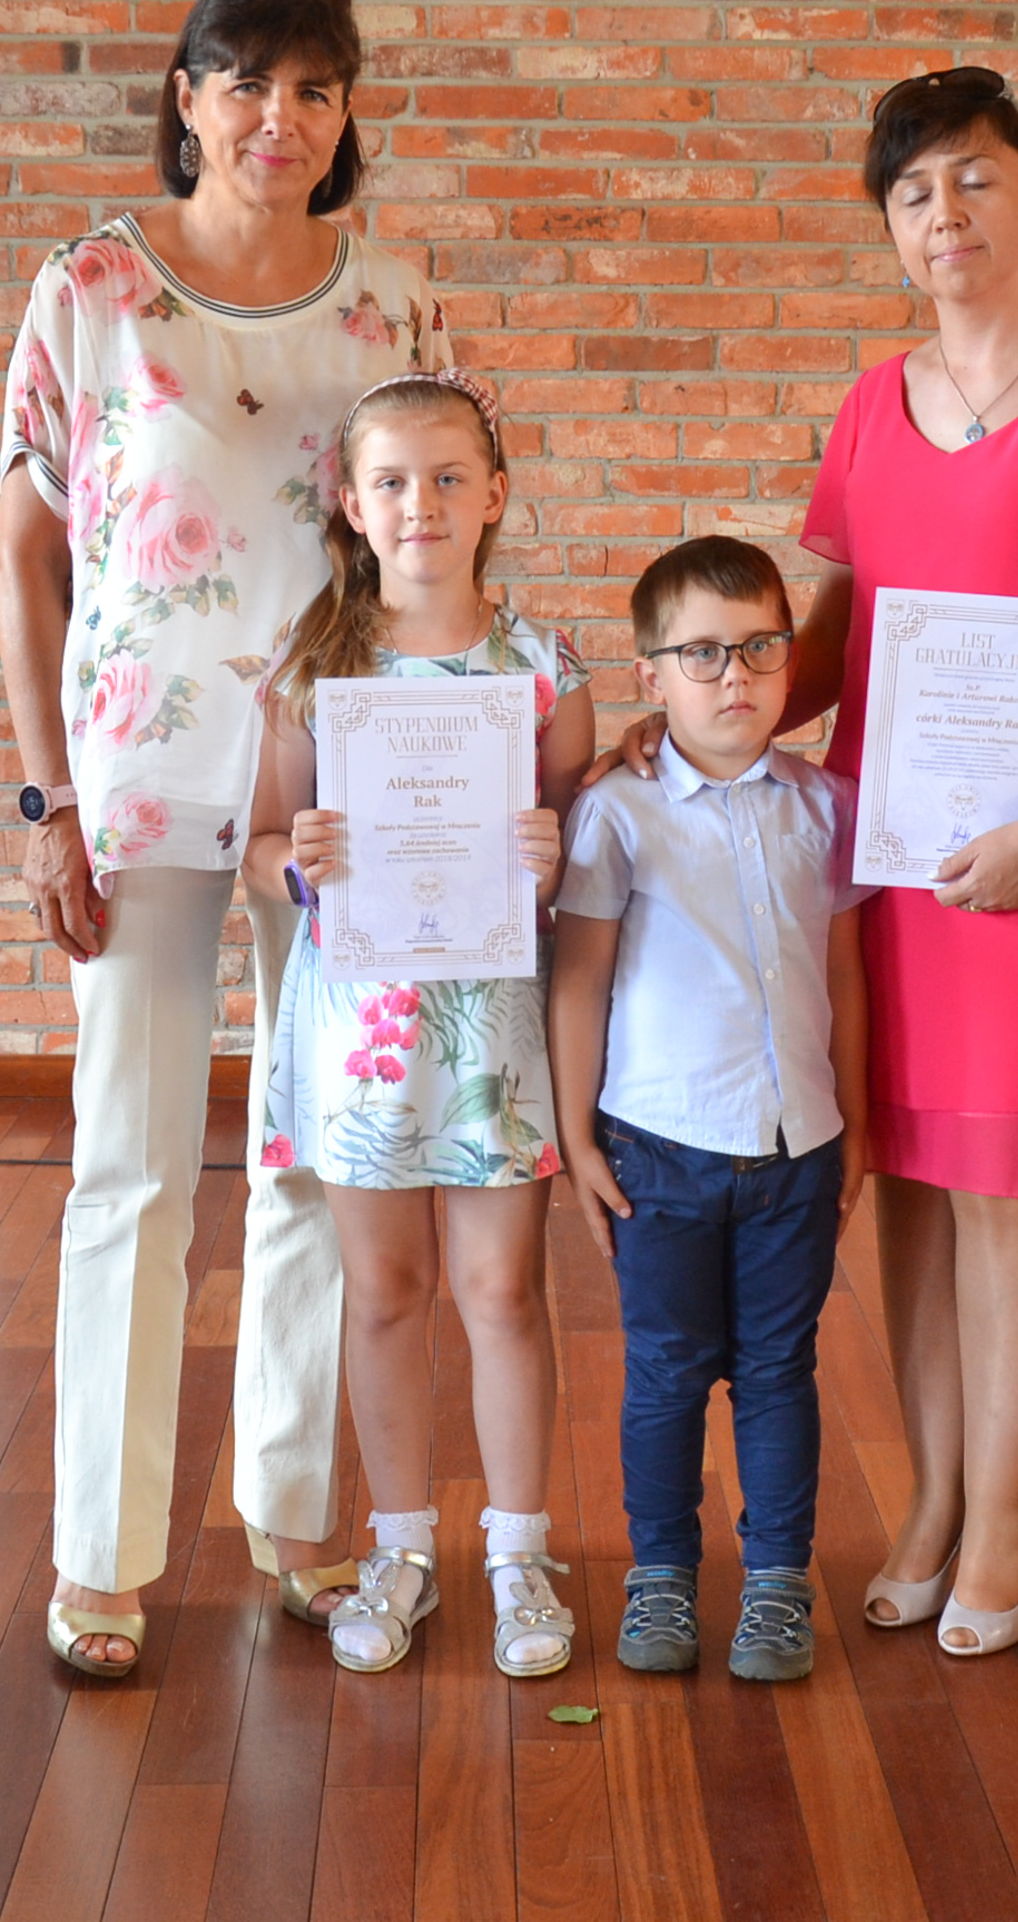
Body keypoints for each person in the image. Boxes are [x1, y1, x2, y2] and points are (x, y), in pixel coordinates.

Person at [606, 69, 1018, 1655]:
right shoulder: (875, 405)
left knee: (1009, 1190)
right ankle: (933, 1499)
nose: (947, 214)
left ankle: (1006, 1509)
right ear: (891, 227)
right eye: (914, 191)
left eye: (977, 179)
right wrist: (679, 721)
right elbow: (836, 637)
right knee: (912, 1188)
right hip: (892, 858)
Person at [0, 0, 454, 1677]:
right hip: (136, 784)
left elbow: (433, 549)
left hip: (338, 788)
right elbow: (26, 558)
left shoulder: (394, 303)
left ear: (346, 114)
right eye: (246, 80)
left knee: (315, 1152)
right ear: (187, 96)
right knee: (127, 1164)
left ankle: (292, 1518)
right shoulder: (93, 288)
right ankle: (101, 1558)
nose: (281, 116)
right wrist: (45, 798)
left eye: (316, 87)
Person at [246, 369, 593, 1675]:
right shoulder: (316, 667)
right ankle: (399, 1547)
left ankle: (517, 1551)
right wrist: (297, 861)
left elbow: (587, 855)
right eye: (391, 480)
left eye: (449, 477)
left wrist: (554, 851)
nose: (421, 503)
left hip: (493, 1029)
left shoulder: (543, 669)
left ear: (494, 494)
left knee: (501, 1291)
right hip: (360, 1031)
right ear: (351, 501)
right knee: (385, 1292)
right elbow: (259, 849)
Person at [549, 536, 870, 1682]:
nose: (733, 674)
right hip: (658, 1146)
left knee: (779, 1367)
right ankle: (661, 1576)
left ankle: (777, 1579)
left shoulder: (826, 807)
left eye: (758, 647)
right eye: (701, 653)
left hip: (796, 1147)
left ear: (788, 657)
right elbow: (578, 978)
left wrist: (854, 1123)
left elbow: (844, 978)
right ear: (651, 673)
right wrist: (576, 1137)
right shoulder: (617, 811)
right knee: (666, 1369)